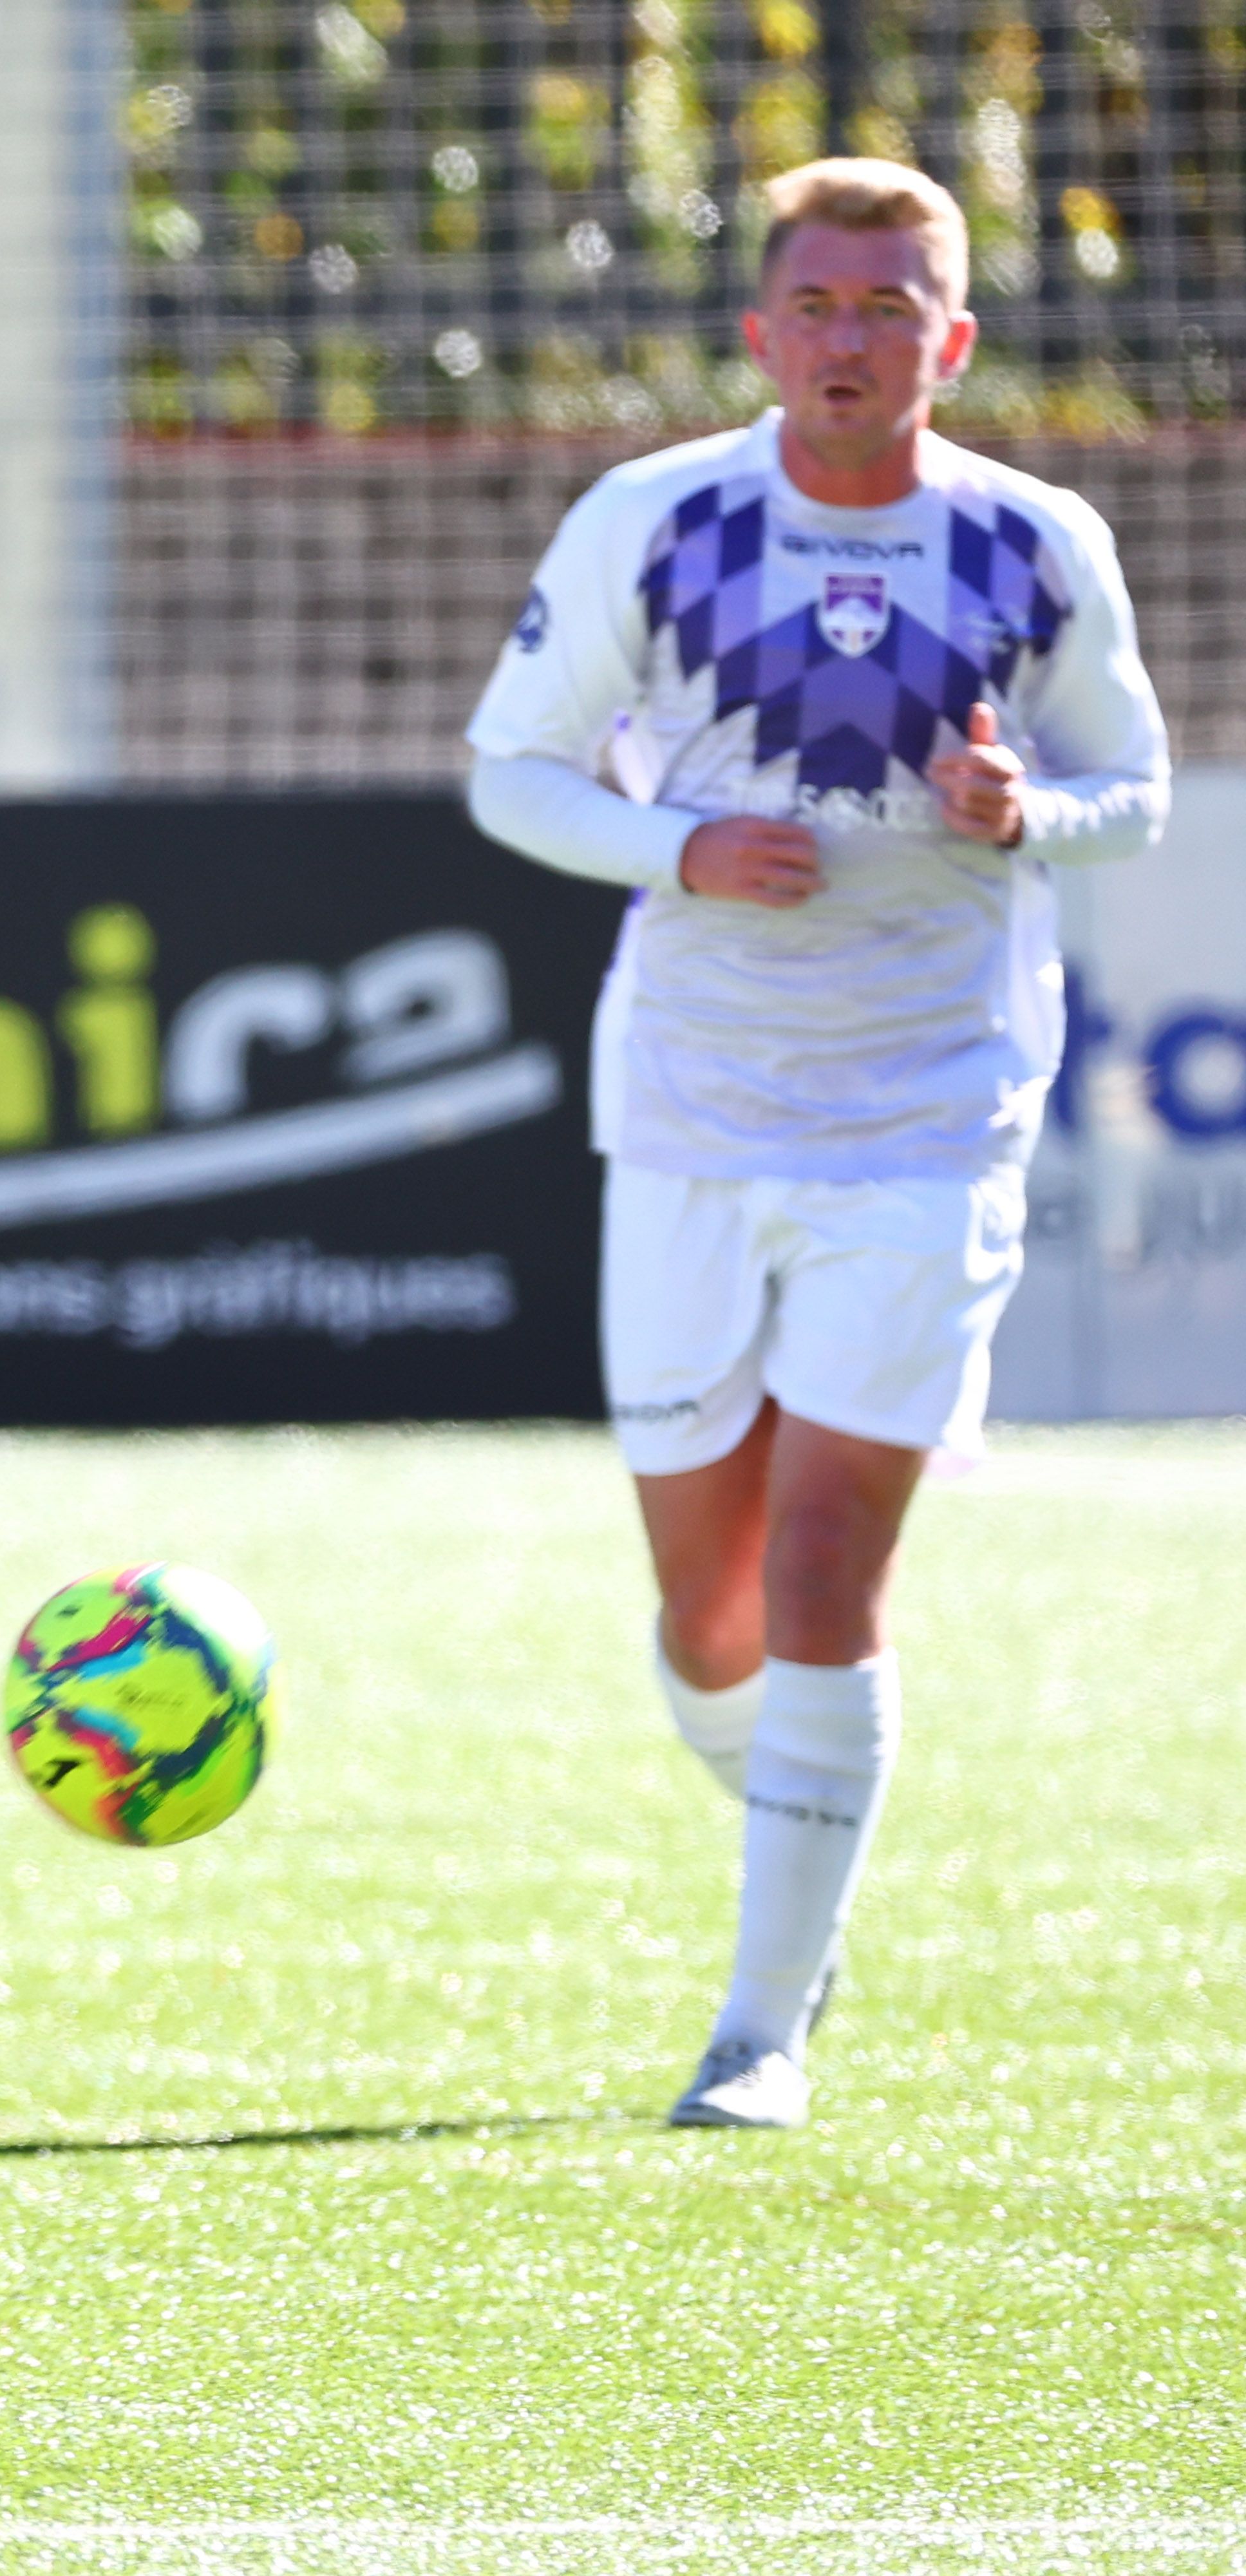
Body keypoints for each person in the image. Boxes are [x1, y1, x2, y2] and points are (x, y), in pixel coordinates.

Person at [464, 158, 1168, 2130]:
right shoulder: (654, 521)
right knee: (706, 1611)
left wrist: (1032, 810)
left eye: (894, 306)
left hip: (931, 1109)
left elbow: (1142, 783)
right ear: (763, 334)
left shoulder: (1038, 545)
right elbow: (509, 773)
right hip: (693, 1105)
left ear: (951, 342)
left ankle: (756, 2030)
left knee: (826, 1571)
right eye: (821, 304)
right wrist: (677, 844)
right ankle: (809, 1846)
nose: (853, 337)